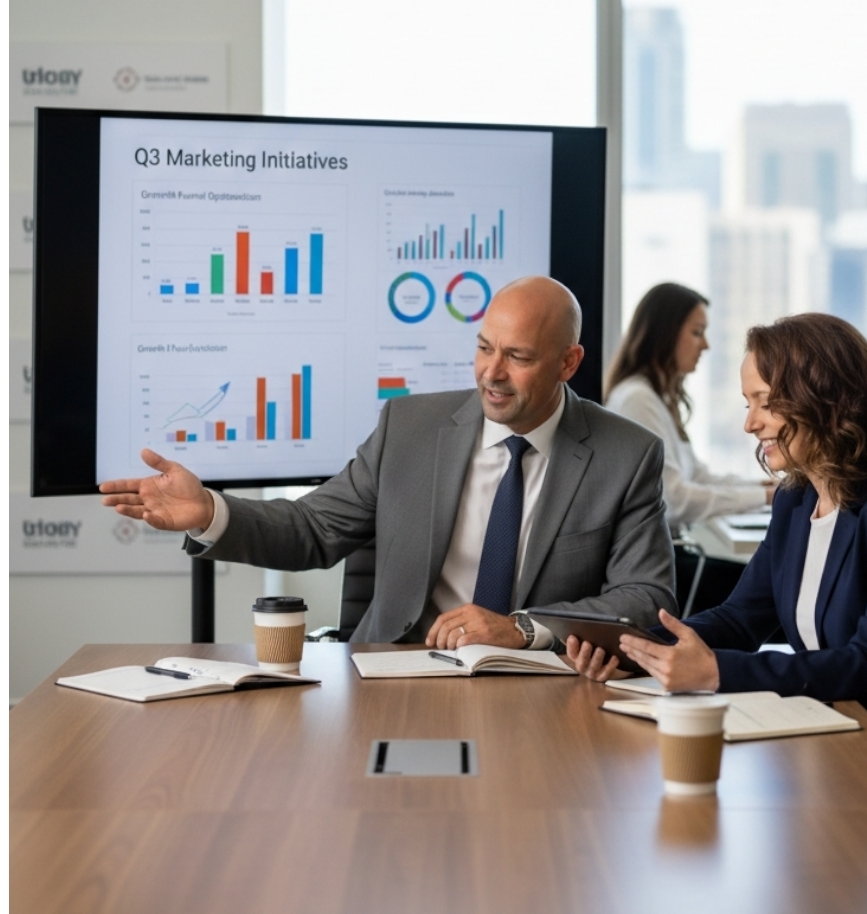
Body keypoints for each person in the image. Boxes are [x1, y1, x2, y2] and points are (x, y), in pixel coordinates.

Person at [101, 276, 678, 650]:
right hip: (399, 670)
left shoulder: (626, 454)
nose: (491, 373)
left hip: (542, 687)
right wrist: (210, 513)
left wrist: (521, 628)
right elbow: (312, 529)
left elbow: (646, 597)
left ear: (568, 362)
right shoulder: (410, 427)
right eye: (483, 347)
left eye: (517, 357)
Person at [570, 312, 867, 798]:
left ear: (824, 399)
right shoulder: (797, 500)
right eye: (747, 403)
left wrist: (716, 672)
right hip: (837, 735)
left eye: (765, 403)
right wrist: (635, 650)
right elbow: (741, 618)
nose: (750, 423)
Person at [605, 283, 769, 609]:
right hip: (661, 569)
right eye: (697, 332)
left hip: (676, 557)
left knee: (768, 584)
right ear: (664, 333)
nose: (705, 345)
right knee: (770, 591)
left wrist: (765, 487)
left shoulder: (657, 398)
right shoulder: (637, 400)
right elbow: (675, 499)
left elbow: (699, 476)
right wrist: (765, 496)